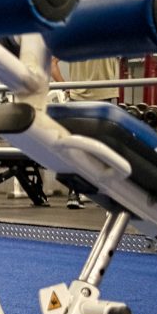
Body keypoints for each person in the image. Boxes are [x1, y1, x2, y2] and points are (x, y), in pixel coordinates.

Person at [50, 55, 120, 208]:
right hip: (103, 95)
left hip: (83, 96)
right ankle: (102, 195)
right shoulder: (112, 40)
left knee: (79, 149)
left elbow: (52, 63)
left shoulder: (73, 40)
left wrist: (66, 87)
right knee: (103, 150)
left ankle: (75, 193)